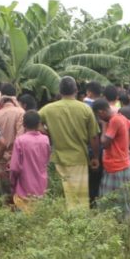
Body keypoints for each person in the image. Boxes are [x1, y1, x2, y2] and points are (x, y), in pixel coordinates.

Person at [38, 76, 100, 211]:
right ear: (76, 90)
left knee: (62, 195)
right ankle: (80, 224)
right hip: (79, 159)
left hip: (58, 158)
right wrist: (95, 157)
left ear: (60, 91)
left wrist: (46, 133)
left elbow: (33, 121)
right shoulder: (85, 109)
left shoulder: (48, 109)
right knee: (80, 198)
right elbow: (94, 137)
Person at [93, 99, 130, 220]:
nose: (98, 119)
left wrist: (103, 126)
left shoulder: (114, 121)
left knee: (114, 200)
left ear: (101, 112)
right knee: (119, 198)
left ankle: (121, 228)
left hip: (117, 167)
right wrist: (126, 146)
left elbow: (105, 143)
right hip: (118, 165)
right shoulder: (120, 117)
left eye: (98, 116)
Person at [8, 111, 52, 213]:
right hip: (41, 185)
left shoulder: (20, 140)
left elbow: (14, 167)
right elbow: (47, 160)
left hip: (24, 187)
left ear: (23, 124)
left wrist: (12, 182)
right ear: (39, 124)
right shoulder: (45, 139)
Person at [0, 94, 25, 202]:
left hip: (1, 160)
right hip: (18, 159)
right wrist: (13, 155)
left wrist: (3, 154)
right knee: (20, 191)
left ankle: (7, 213)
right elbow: (20, 137)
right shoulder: (20, 112)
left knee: (5, 193)